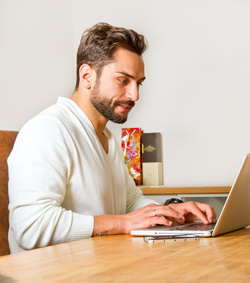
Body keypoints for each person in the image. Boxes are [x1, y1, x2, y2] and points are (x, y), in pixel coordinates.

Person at [7, 22, 216, 253]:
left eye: (138, 83)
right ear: (87, 75)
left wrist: (171, 213)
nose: (134, 95)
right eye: (123, 80)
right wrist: (124, 223)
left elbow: (130, 203)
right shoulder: (47, 130)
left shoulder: (105, 138)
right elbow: (31, 228)